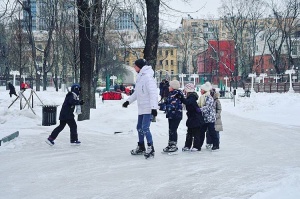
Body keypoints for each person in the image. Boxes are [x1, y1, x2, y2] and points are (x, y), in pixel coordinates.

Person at [122, 59, 158, 159]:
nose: (134, 67)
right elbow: (137, 93)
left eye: (135, 66)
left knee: (145, 128)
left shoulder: (148, 78)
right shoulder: (140, 77)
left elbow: (153, 93)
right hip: (141, 107)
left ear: (140, 67)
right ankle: (141, 146)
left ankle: (150, 147)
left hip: (148, 107)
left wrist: (154, 108)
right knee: (139, 127)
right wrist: (128, 101)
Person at [177, 83, 205, 152]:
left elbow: (188, 102)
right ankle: (187, 145)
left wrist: (181, 98)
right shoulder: (190, 96)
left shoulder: (192, 96)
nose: (184, 91)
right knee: (189, 132)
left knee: (196, 132)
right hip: (191, 117)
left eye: (185, 90)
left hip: (196, 117)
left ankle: (196, 146)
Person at [162, 80, 183, 153]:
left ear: (173, 87)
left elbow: (174, 105)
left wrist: (165, 107)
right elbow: (168, 102)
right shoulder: (171, 94)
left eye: (170, 86)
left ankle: (174, 144)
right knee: (170, 130)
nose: (168, 87)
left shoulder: (177, 94)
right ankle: (170, 143)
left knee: (173, 130)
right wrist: (162, 105)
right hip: (171, 115)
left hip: (176, 115)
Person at [198, 82, 219, 151]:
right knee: (201, 132)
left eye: (201, 89)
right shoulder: (202, 97)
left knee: (212, 132)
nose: (200, 91)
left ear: (205, 90)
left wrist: (199, 110)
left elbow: (208, 107)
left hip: (210, 118)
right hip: (204, 118)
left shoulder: (209, 97)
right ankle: (199, 145)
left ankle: (216, 145)